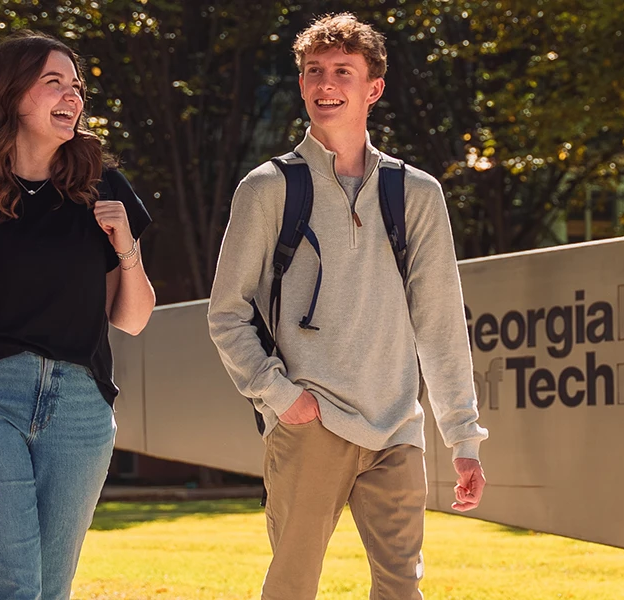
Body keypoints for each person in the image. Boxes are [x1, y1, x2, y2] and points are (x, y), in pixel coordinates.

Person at [206, 13, 488, 600]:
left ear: (373, 88)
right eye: (314, 72)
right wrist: (284, 398)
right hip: (311, 422)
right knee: (291, 588)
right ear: (303, 84)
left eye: (342, 71)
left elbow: (439, 324)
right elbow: (227, 314)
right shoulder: (267, 189)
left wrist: (462, 437)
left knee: (400, 589)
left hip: (396, 429)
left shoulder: (416, 193)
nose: (325, 83)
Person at [0, 30, 154, 600]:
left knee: (50, 590)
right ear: (12, 93)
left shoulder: (101, 188)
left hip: (80, 409)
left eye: (76, 86)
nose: (72, 97)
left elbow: (134, 318)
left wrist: (125, 246)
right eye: (53, 83)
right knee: (10, 590)